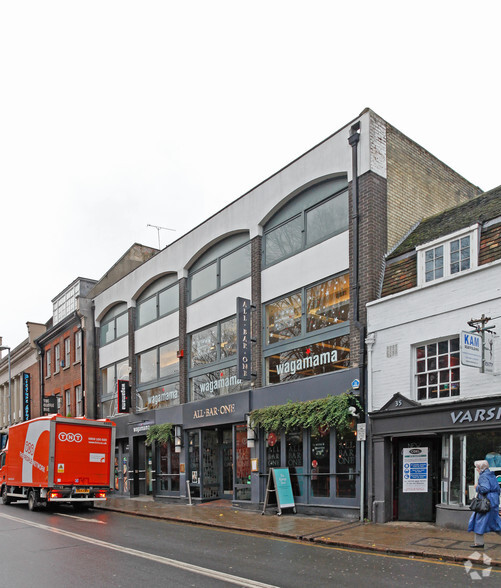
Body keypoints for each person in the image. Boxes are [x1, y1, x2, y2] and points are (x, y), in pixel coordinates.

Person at [467, 460, 501, 548]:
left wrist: (477, 487)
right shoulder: (491, 474)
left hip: (486, 502)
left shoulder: (483, 476)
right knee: (495, 522)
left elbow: (485, 489)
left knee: (479, 521)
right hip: (494, 501)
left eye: (477, 467)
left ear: (480, 468)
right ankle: (478, 542)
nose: (476, 469)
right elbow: (497, 488)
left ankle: (478, 543)